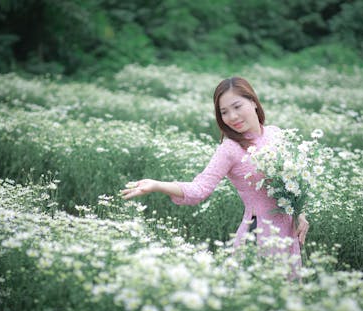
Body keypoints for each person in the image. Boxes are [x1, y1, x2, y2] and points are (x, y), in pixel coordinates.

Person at [121, 77, 309, 266]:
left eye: (237, 106)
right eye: (224, 112)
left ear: (253, 101)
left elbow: (290, 186)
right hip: (259, 234)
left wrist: (300, 214)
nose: (232, 117)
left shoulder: (276, 134)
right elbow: (200, 188)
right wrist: (156, 185)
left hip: (288, 233)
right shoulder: (230, 149)